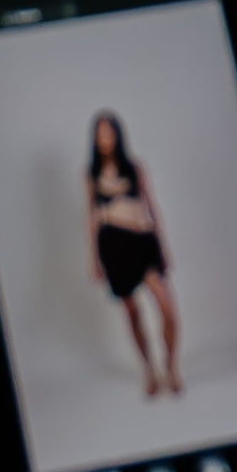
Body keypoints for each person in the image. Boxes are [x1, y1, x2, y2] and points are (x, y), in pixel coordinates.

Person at [86, 110, 181, 393]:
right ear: (95, 138)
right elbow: (91, 218)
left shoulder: (135, 168)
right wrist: (94, 259)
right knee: (132, 313)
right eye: (101, 132)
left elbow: (152, 207)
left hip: (143, 242)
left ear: (118, 134)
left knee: (168, 310)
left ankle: (171, 367)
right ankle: (149, 370)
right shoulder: (91, 175)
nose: (106, 137)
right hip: (113, 246)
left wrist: (163, 247)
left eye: (110, 131)